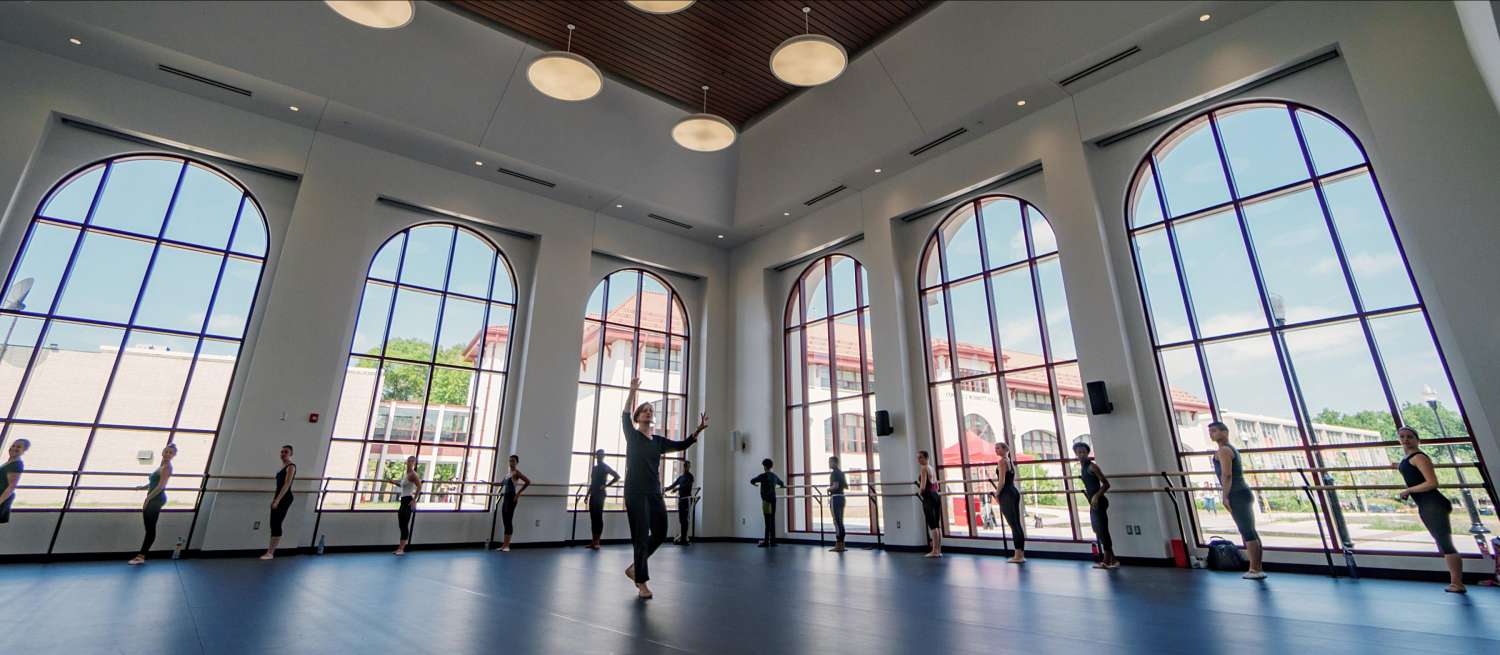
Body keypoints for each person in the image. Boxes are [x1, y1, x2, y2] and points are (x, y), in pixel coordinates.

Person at [622, 378, 708, 599]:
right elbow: (623, 415)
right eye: (645, 410)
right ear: (638, 416)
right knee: (641, 536)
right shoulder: (632, 435)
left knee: (660, 533)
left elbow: (681, 445)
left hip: (653, 491)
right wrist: (632, 392)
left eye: (651, 411)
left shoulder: (657, 441)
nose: (649, 413)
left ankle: (634, 568)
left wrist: (697, 430)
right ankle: (641, 582)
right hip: (635, 491)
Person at [1397, 426, 1466, 593]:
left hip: (1433, 503)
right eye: (1402, 437)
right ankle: (1456, 582)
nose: (1406, 440)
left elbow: (1432, 483)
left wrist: (1409, 490)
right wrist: (1397, 466)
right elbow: (1411, 472)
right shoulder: (1407, 459)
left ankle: (1457, 583)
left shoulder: (1419, 457)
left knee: (1445, 543)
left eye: (1410, 437)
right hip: (1427, 504)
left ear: (1417, 439)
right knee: (1442, 543)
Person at [1209, 421, 1263, 579]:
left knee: (1246, 531)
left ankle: (1255, 569)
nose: (1212, 434)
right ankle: (1257, 567)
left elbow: (1227, 475)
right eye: (1210, 432)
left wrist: (1225, 496)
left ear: (1225, 432)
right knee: (1250, 530)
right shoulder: (1226, 450)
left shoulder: (1225, 450)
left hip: (1237, 493)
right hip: (1241, 492)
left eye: (1215, 431)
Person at [129, 443, 176, 565]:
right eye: (166, 451)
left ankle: (141, 556)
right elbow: (153, 482)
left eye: (171, 453)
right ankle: (141, 556)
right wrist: (143, 487)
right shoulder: (161, 465)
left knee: (150, 529)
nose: (168, 454)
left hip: (157, 499)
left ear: (174, 455)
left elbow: (161, 486)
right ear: (162, 452)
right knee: (148, 528)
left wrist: (147, 499)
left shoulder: (167, 467)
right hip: (154, 498)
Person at [1074, 441, 1118, 569]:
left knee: (1103, 530)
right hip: (1093, 503)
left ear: (1087, 453)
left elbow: (1106, 484)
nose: (1081, 454)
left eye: (1083, 452)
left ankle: (1107, 560)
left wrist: (1096, 496)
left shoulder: (1092, 467)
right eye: (1078, 452)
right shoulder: (1082, 467)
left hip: (1099, 501)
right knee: (1097, 529)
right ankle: (1113, 559)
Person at [991, 442, 1025, 563]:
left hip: (1007, 493)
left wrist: (997, 493)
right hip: (1013, 491)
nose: (996, 450)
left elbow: (1002, 481)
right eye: (995, 448)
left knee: (1013, 525)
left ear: (1005, 449)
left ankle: (1018, 556)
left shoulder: (1001, 462)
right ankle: (1020, 554)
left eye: (998, 448)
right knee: (1017, 524)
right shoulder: (1010, 461)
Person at [261, 444, 296, 560]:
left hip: (285, 498)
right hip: (279, 496)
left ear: (291, 454)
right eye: (282, 452)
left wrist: (277, 500)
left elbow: (287, 485)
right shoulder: (281, 466)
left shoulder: (291, 467)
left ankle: (270, 552)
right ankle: (270, 551)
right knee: (273, 523)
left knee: (276, 523)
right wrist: (275, 498)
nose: (283, 454)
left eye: (286, 452)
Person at [497, 454, 531, 552]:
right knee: (505, 520)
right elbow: (501, 483)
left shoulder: (517, 473)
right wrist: (488, 483)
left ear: (516, 462)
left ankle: (507, 545)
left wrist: (518, 494)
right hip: (506, 497)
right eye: (510, 461)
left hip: (512, 497)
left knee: (508, 520)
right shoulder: (508, 474)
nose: (511, 462)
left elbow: (528, 481)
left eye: (513, 461)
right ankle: (504, 545)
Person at [587, 449, 619, 550]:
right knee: (593, 518)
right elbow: (592, 483)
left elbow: (617, 476)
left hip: (600, 495)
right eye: (598, 455)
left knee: (598, 517)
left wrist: (606, 486)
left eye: (601, 455)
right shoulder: (595, 468)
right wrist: (587, 495)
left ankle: (597, 542)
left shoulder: (605, 467)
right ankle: (593, 541)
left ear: (603, 456)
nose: (599, 457)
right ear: (596, 456)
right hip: (594, 494)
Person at [750, 459, 785, 548]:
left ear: (765, 466)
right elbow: (781, 483)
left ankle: (766, 541)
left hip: (766, 501)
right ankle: (772, 541)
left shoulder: (763, 476)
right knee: (772, 520)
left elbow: (752, 480)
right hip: (773, 500)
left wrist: (755, 484)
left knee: (767, 521)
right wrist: (779, 485)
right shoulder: (774, 476)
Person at [916, 450, 942, 558]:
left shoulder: (924, 468)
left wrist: (920, 493)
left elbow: (922, 487)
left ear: (926, 457)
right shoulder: (931, 468)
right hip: (936, 496)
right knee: (936, 525)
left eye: (920, 457)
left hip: (929, 497)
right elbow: (937, 486)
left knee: (932, 525)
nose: (918, 460)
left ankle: (934, 551)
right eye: (918, 458)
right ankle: (938, 550)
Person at [393, 455, 420, 556]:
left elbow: (419, 486)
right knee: (401, 525)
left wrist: (414, 500)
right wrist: (393, 482)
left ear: (414, 463)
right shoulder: (406, 474)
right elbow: (402, 485)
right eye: (409, 460)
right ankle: (399, 548)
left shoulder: (413, 474)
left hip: (408, 500)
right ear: (407, 462)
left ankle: (401, 549)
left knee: (404, 525)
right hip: (403, 501)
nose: (410, 462)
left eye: (412, 461)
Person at [664, 460, 695, 545]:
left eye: (688, 466)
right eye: (685, 465)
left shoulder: (690, 477)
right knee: (681, 520)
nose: (686, 467)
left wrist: (677, 489)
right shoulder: (681, 477)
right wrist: (666, 489)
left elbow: (686, 486)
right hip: (681, 500)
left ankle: (684, 539)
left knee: (685, 520)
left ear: (689, 467)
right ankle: (682, 538)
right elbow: (674, 484)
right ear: (684, 466)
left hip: (687, 500)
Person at [0, 439, 29, 525]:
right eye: (13, 446)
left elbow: (11, 487)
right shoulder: (10, 462)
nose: (14, 448)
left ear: (24, 451)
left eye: (18, 447)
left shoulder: (16, 464)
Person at [827, 456, 848, 552]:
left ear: (834, 463)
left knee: (836, 521)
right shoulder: (841, 473)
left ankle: (839, 545)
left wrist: (828, 489)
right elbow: (844, 486)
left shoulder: (834, 473)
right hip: (842, 498)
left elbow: (835, 486)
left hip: (835, 498)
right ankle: (842, 545)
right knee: (840, 521)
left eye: (830, 462)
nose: (829, 464)